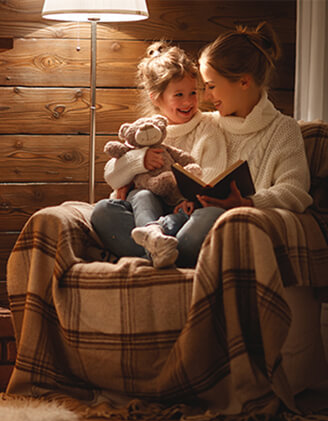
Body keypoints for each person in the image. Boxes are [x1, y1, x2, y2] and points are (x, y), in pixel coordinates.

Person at [91, 42, 228, 268]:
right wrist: (139, 161)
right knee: (103, 211)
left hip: (184, 213)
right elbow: (113, 177)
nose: (188, 101)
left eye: (193, 93)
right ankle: (160, 252)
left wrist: (189, 201)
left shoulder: (208, 128)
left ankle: (153, 253)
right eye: (179, 95)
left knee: (210, 217)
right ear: (156, 97)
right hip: (144, 211)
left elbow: (209, 177)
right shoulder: (144, 131)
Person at [196, 22, 311, 214]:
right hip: (187, 220)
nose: (206, 96)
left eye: (212, 86)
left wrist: (248, 203)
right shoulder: (205, 123)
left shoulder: (283, 130)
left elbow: (295, 191)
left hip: (240, 225)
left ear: (243, 81)